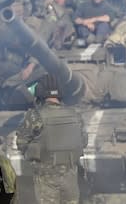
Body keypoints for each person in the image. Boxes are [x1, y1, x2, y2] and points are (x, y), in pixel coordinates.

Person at [16, 74, 85, 204]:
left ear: (40, 93)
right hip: (70, 174)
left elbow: (22, 143)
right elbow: (83, 141)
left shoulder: (35, 115)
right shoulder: (75, 115)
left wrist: (34, 153)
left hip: (46, 176)